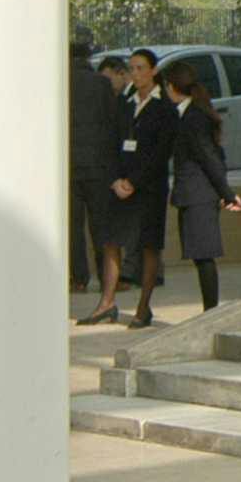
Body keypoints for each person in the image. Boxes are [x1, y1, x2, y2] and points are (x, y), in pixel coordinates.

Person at [89, 49, 177, 329]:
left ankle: (143, 307)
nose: (135, 74)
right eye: (132, 69)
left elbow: (161, 152)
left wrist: (134, 182)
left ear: (153, 71)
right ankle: (106, 303)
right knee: (111, 241)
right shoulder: (125, 104)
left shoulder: (164, 108)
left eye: (141, 68)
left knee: (148, 246)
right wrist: (116, 179)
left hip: (148, 188)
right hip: (120, 185)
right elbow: (110, 143)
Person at [161, 60, 241, 314]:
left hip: (198, 193)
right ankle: (210, 309)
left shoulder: (194, 117)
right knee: (201, 256)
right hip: (195, 193)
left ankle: (211, 311)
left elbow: (209, 158)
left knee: (204, 255)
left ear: (173, 86)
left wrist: (228, 195)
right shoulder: (190, 113)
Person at [66, 31, 121, 297]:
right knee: (100, 226)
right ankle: (106, 276)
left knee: (73, 226)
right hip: (99, 167)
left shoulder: (60, 83)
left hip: (68, 167)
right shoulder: (101, 84)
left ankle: (78, 278)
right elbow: (113, 124)